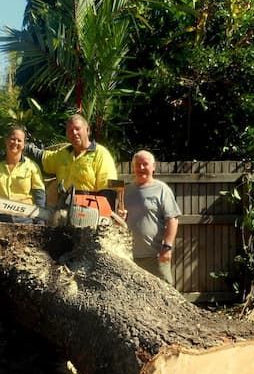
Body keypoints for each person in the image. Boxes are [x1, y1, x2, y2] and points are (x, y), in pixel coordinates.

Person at [121, 150, 181, 284]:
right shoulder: (126, 191)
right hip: (129, 257)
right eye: (138, 165)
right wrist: (122, 217)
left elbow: (173, 219)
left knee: (166, 296)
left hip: (156, 257)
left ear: (153, 167)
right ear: (133, 168)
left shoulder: (161, 189)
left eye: (145, 164)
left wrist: (167, 248)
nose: (141, 168)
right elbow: (119, 220)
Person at [26, 113, 117, 199]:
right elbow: (42, 157)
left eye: (77, 129)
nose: (74, 132)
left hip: (90, 210)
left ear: (87, 130)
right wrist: (22, 146)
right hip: (63, 209)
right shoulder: (62, 154)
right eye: (70, 130)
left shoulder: (101, 154)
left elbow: (108, 191)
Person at [0, 125, 46, 223]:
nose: (15, 143)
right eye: (12, 139)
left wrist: (40, 222)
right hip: (0, 219)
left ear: (24, 144)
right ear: (6, 141)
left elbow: (39, 197)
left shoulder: (32, 167)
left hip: (25, 219)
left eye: (19, 140)